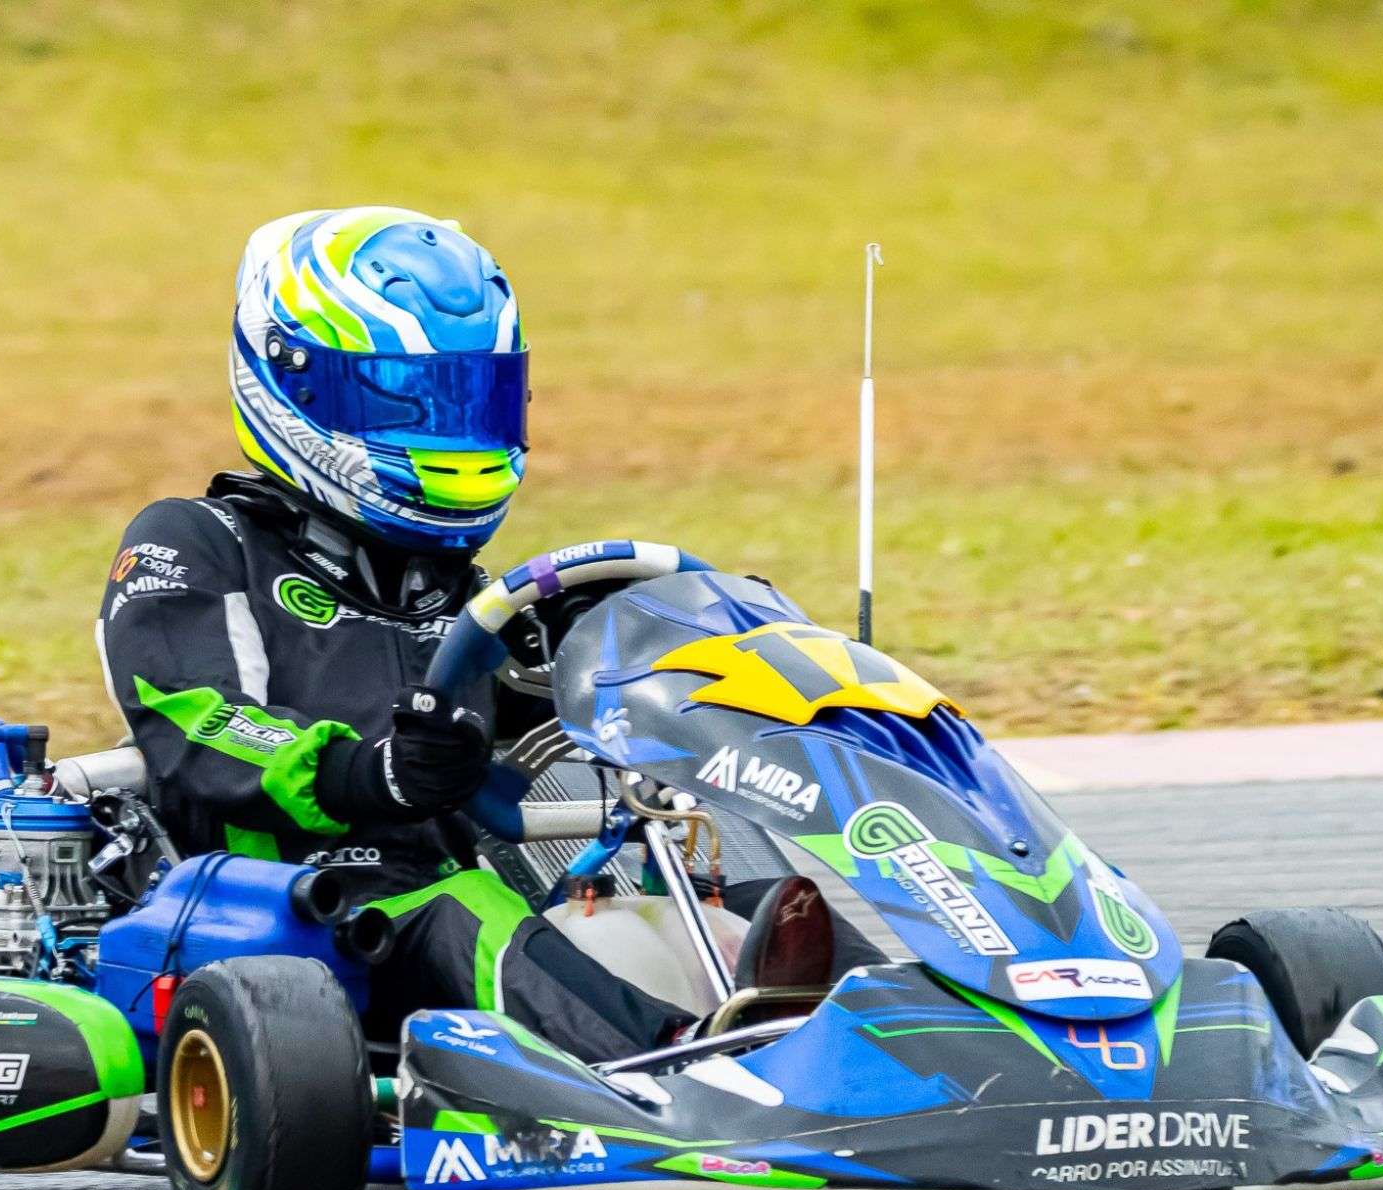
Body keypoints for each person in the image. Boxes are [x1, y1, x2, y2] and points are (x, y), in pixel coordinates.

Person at [96, 207, 835, 1062]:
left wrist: (675, 660)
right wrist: (360, 770)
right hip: (280, 909)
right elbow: (196, 716)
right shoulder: (197, 543)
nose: (445, 430)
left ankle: (877, 1032)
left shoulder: (461, 592)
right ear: (293, 386)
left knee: (711, 838)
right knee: (466, 908)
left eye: (465, 398)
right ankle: (691, 1064)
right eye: (401, 395)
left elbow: (534, 734)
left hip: (440, 899)